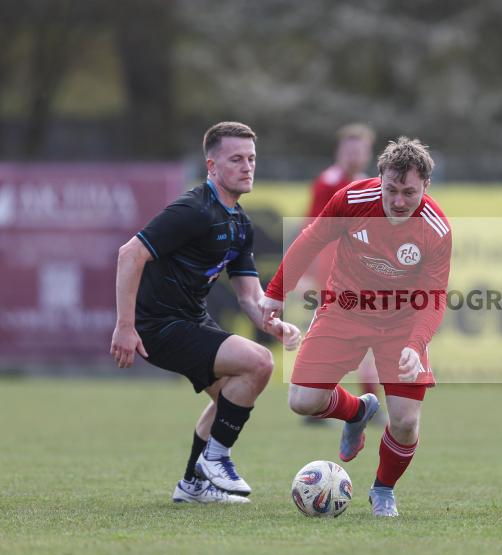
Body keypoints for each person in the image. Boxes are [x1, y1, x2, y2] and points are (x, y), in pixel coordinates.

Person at [110, 121, 301, 504]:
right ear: (212, 166)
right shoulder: (194, 209)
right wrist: (125, 327)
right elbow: (130, 254)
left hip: (191, 320)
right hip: (158, 325)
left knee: (232, 395)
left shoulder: (240, 223)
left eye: (251, 158)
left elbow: (249, 296)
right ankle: (215, 459)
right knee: (260, 363)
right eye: (236, 159)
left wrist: (272, 321)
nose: (247, 166)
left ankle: (192, 486)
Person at [261, 137, 451, 517]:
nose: (398, 201)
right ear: (379, 178)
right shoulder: (352, 199)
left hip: (401, 322)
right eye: (391, 189)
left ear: (426, 187)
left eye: (409, 192)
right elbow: (310, 240)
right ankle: (355, 411)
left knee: (406, 421)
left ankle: (383, 490)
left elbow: (433, 298)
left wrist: (415, 345)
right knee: (302, 401)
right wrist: (276, 293)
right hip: (344, 309)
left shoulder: (436, 229)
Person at [300, 123, 380, 423]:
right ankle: (317, 400)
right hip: (333, 267)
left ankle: (362, 401)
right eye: (350, 148)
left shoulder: (367, 183)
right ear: (339, 151)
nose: (355, 154)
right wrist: (309, 268)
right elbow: (314, 227)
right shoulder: (328, 182)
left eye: (360, 149)